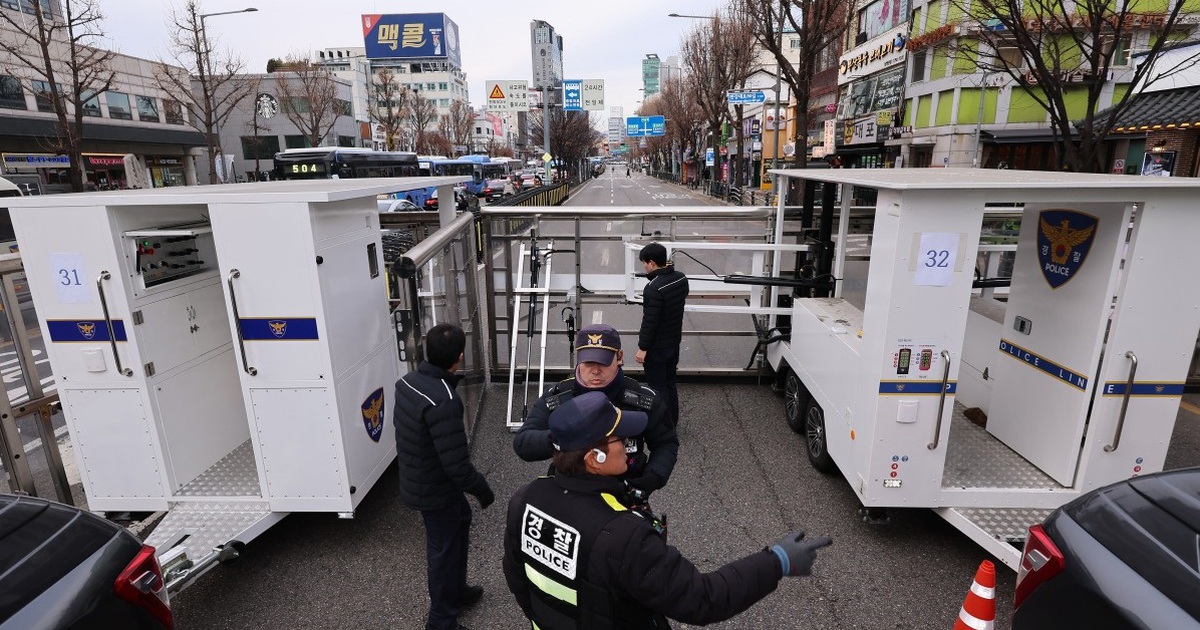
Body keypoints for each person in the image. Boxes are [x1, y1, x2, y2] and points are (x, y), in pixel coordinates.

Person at [503, 391, 833, 629]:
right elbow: (703, 599)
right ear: (594, 458)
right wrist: (777, 560)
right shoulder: (625, 537)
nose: (630, 444)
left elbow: (517, 579)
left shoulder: (525, 499)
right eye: (620, 438)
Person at [394, 324, 494, 630]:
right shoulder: (444, 400)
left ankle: (456, 592)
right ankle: (441, 620)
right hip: (436, 491)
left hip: (421, 478)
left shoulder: (407, 382)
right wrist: (482, 490)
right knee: (443, 551)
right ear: (460, 356)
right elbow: (457, 465)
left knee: (461, 522)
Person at [513, 323, 678, 497]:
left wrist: (650, 480)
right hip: (570, 492)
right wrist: (562, 437)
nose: (596, 370)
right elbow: (523, 443)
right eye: (589, 362)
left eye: (603, 362)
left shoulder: (643, 399)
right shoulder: (559, 396)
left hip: (625, 490)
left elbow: (666, 443)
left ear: (619, 357)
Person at [635, 243, 689, 428]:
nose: (644, 266)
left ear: (651, 263)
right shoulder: (680, 279)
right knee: (670, 383)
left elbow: (650, 322)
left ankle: (663, 425)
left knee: (658, 387)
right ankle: (672, 421)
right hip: (673, 342)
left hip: (657, 347)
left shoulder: (653, 288)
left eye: (644, 263)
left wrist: (642, 348)